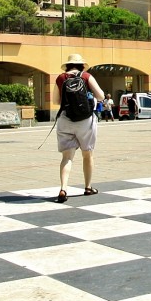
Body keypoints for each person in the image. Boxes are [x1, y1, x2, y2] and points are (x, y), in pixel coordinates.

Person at [54, 54, 105, 203]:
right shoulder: (86, 76)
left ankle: (63, 188)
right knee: (87, 154)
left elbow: (56, 101)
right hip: (85, 120)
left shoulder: (60, 78)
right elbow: (101, 96)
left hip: (65, 119)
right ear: (82, 65)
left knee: (67, 157)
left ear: (68, 65)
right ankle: (88, 187)